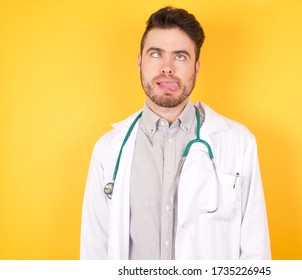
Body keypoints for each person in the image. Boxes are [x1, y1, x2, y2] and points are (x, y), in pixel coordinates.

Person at [80, 6, 271, 260]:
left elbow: (255, 251)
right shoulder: (108, 150)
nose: (167, 68)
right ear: (140, 61)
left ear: (197, 66)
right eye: (156, 54)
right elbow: (94, 252)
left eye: (180, 56)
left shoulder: (238, 143)